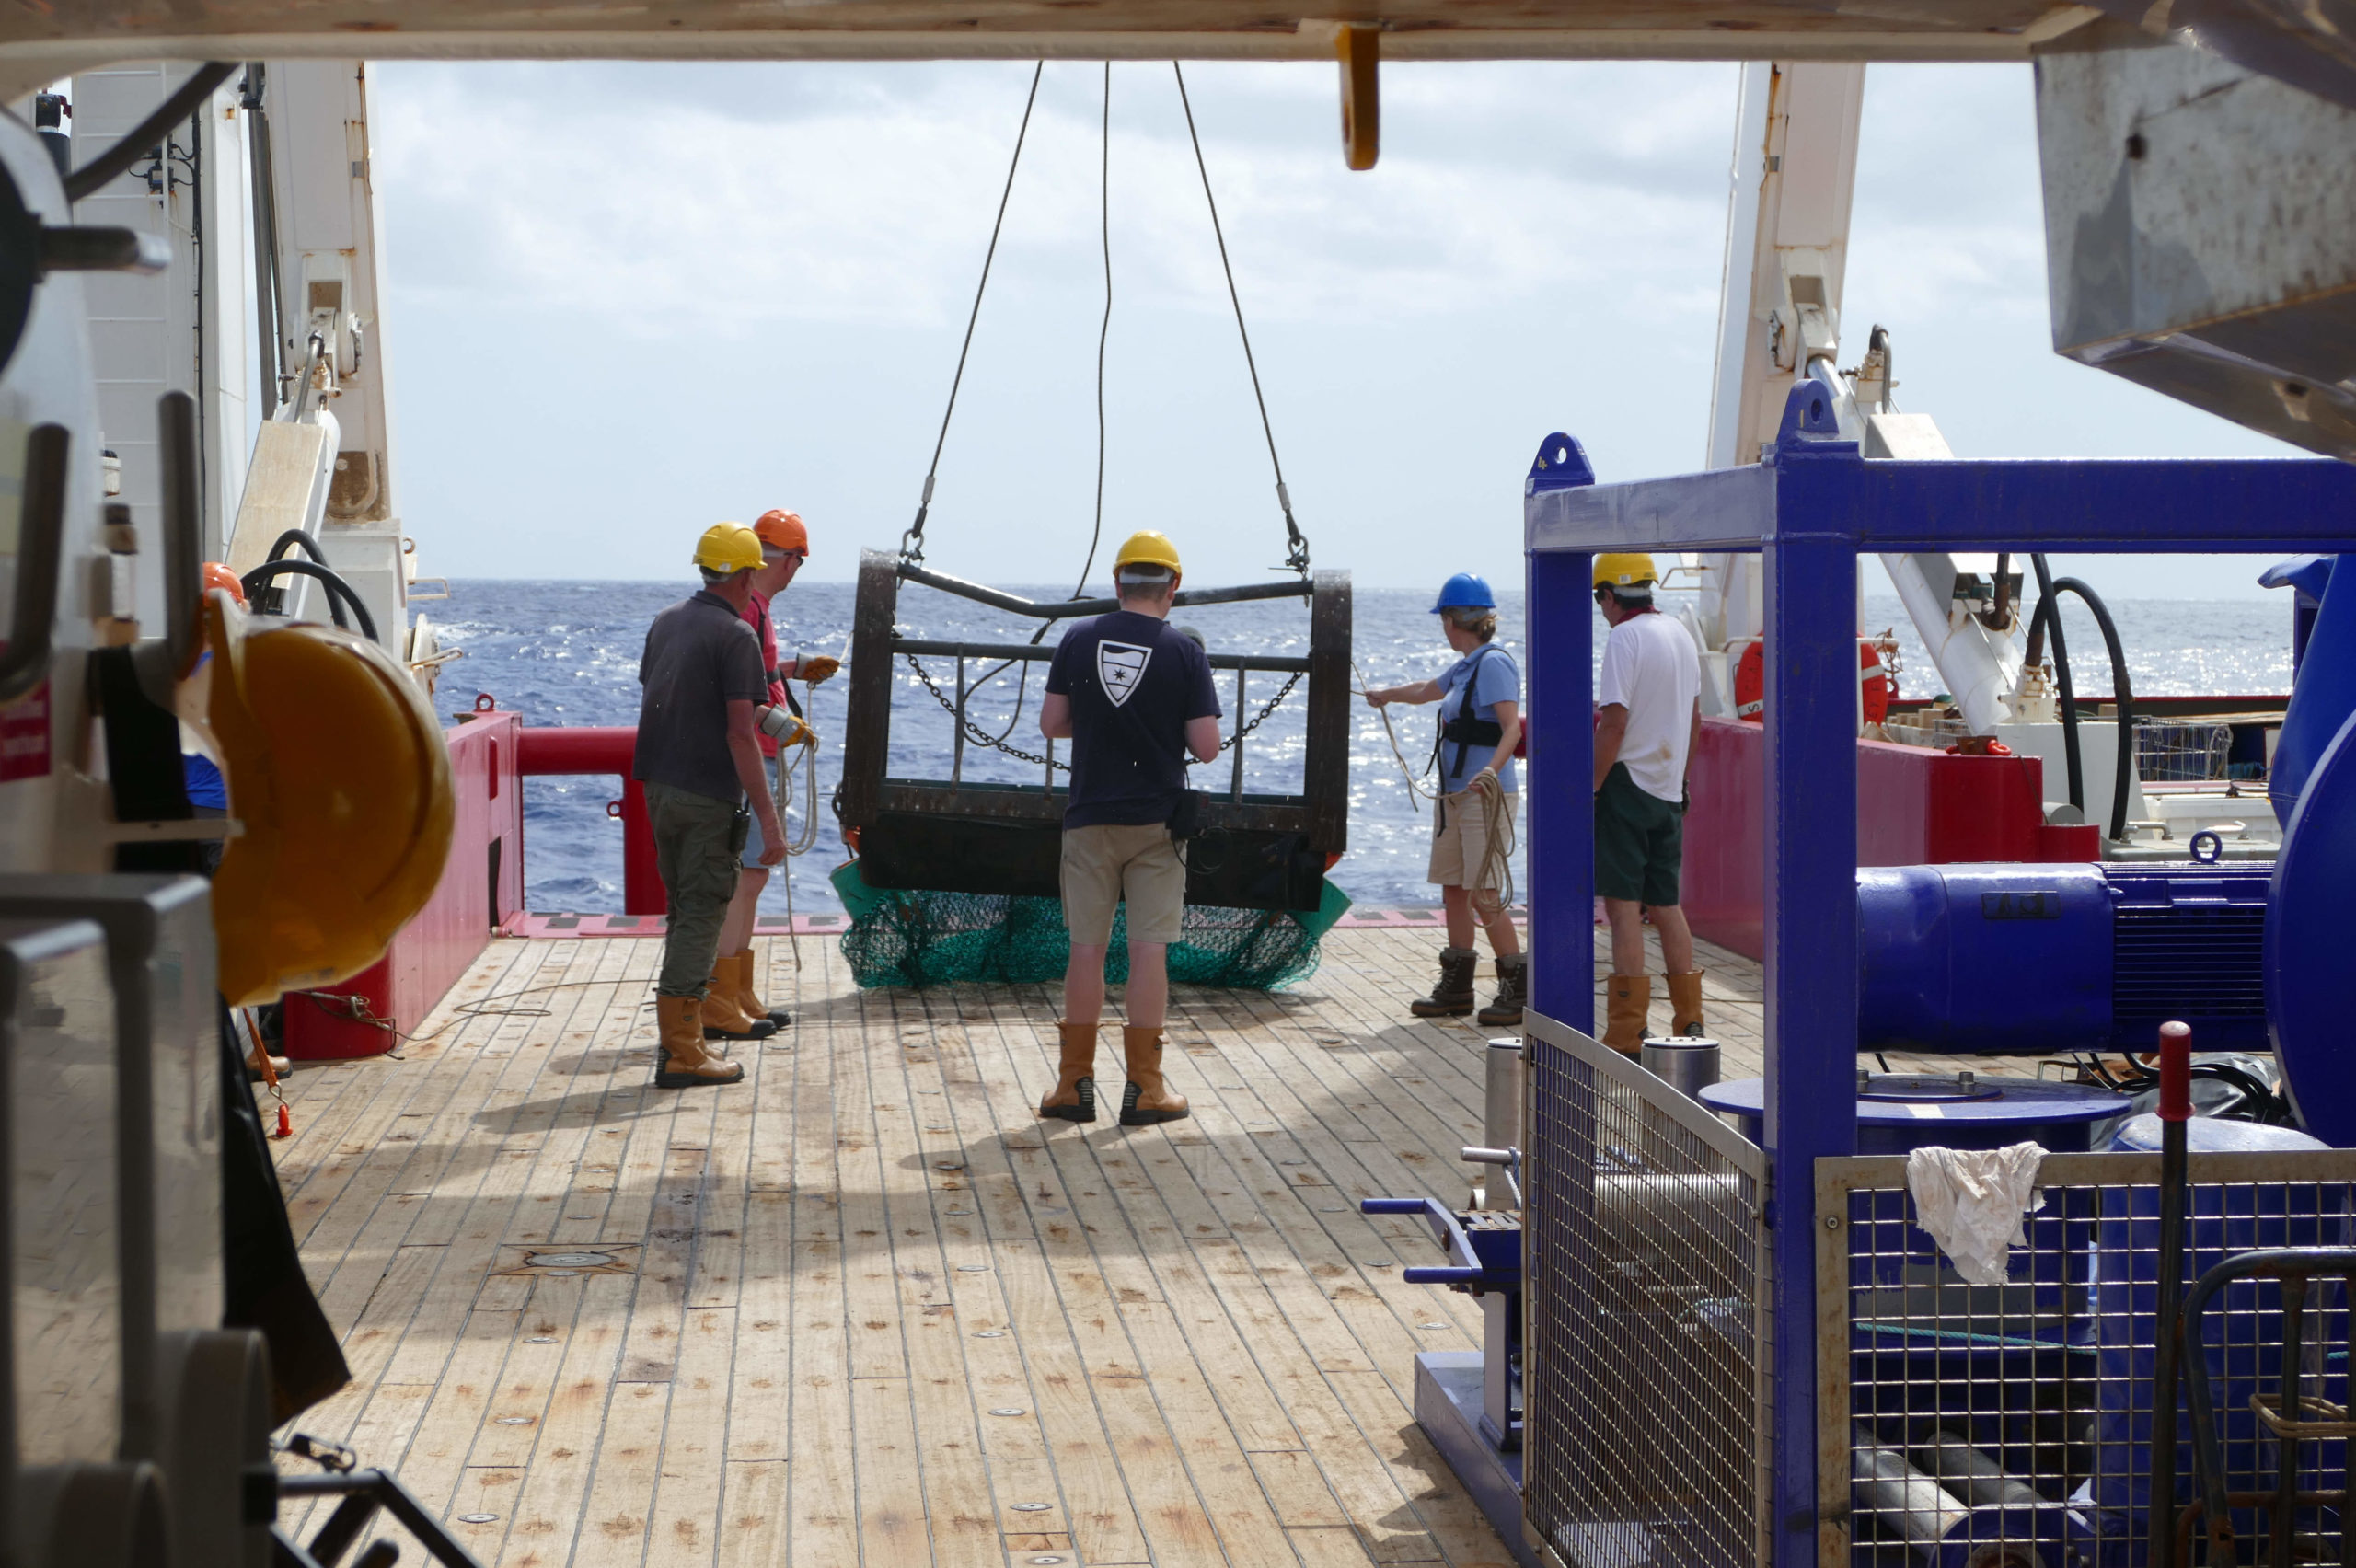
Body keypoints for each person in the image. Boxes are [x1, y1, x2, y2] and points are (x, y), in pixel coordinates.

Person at [1037, 530, 1221, 1126]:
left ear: (1117, 583)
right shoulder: (1183, 652)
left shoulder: (1077, 638)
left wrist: (1100, 722)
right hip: (1155, 825)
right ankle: (1145, 1087)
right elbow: (1207, 746)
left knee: (1085, 951)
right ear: (1173, 587)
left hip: (1090, 817)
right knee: (1148, 953)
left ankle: (1072, 1085)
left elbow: (1052, 722)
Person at [633, 522, 791, 1087]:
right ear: (748, 574)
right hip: (705, 795)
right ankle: (681, 1052)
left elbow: (661, 692)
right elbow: (740, 734)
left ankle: (688, 1037)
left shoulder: (667, 621)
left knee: (685, 910)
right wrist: (770, 823)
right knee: (702, 914)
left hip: (658, 787)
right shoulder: (736, 636)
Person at [1364, 572, 1526, 1025]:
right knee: (1454, 887)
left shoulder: (1493, 664)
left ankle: (1517, 987)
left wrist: (1489, 773)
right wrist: (1387, 696)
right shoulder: (1465, 666)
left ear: (1455, 619)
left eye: (1445, 618)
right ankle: (1457, 987)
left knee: (1485, 890)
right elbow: (1426, 691)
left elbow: (1512, 728)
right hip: (1455, 794)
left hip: (1484, 796)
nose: (1443, 625)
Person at [707, 508, 841, 1033]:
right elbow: (740, 694)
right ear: (787, 561)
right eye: (796, 561)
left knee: (752, 876)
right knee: (747, 876)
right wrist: (786, 725)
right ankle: (723, 998)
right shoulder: (753, 611)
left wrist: (791, 669)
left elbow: (751, 676)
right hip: (753, 756)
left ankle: (738, 992)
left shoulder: (751, 609)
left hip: (757, 752)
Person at [1591, 552, 1705, 1054]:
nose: (1601, 609)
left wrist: (1589, 788)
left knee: (1623, 911)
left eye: (1600, 599)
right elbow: (1695, 720)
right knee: (1667, 906)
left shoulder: (1624, 637)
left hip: (1626, 786)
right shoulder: (1681, 633)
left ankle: (1627, 1032)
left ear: (1611, 597)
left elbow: (1613, 723)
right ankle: (1690, 1023)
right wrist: (1679, 780)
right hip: (1667, 788)